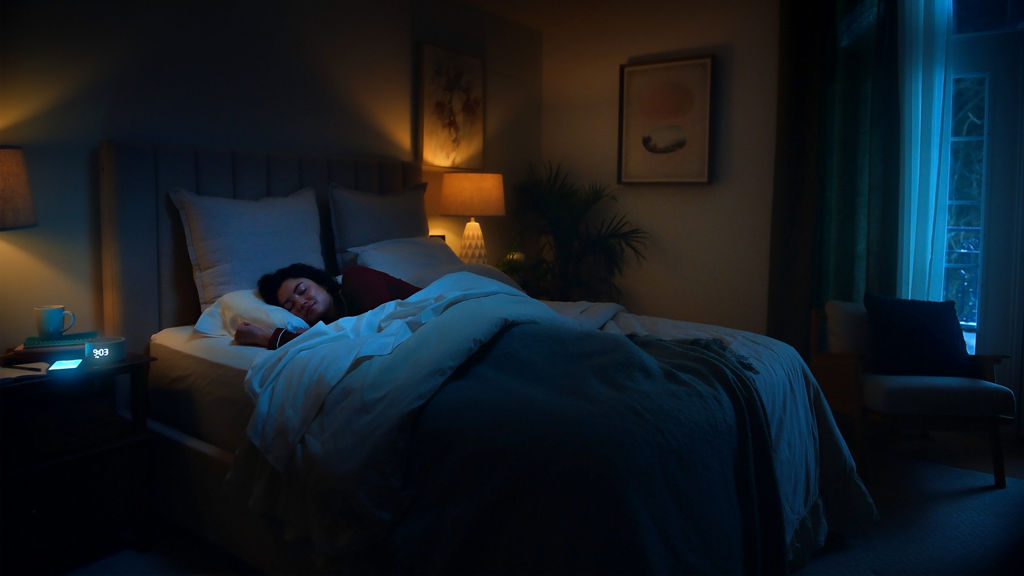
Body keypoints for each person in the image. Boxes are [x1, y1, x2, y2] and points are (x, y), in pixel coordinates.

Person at [234, 263, 421, 349]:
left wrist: (267, 338)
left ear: (321, 283)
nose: (300, 303)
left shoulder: (356, 278)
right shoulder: (325, 327)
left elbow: (382, 330)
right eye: (290, 306)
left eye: (302, 290)